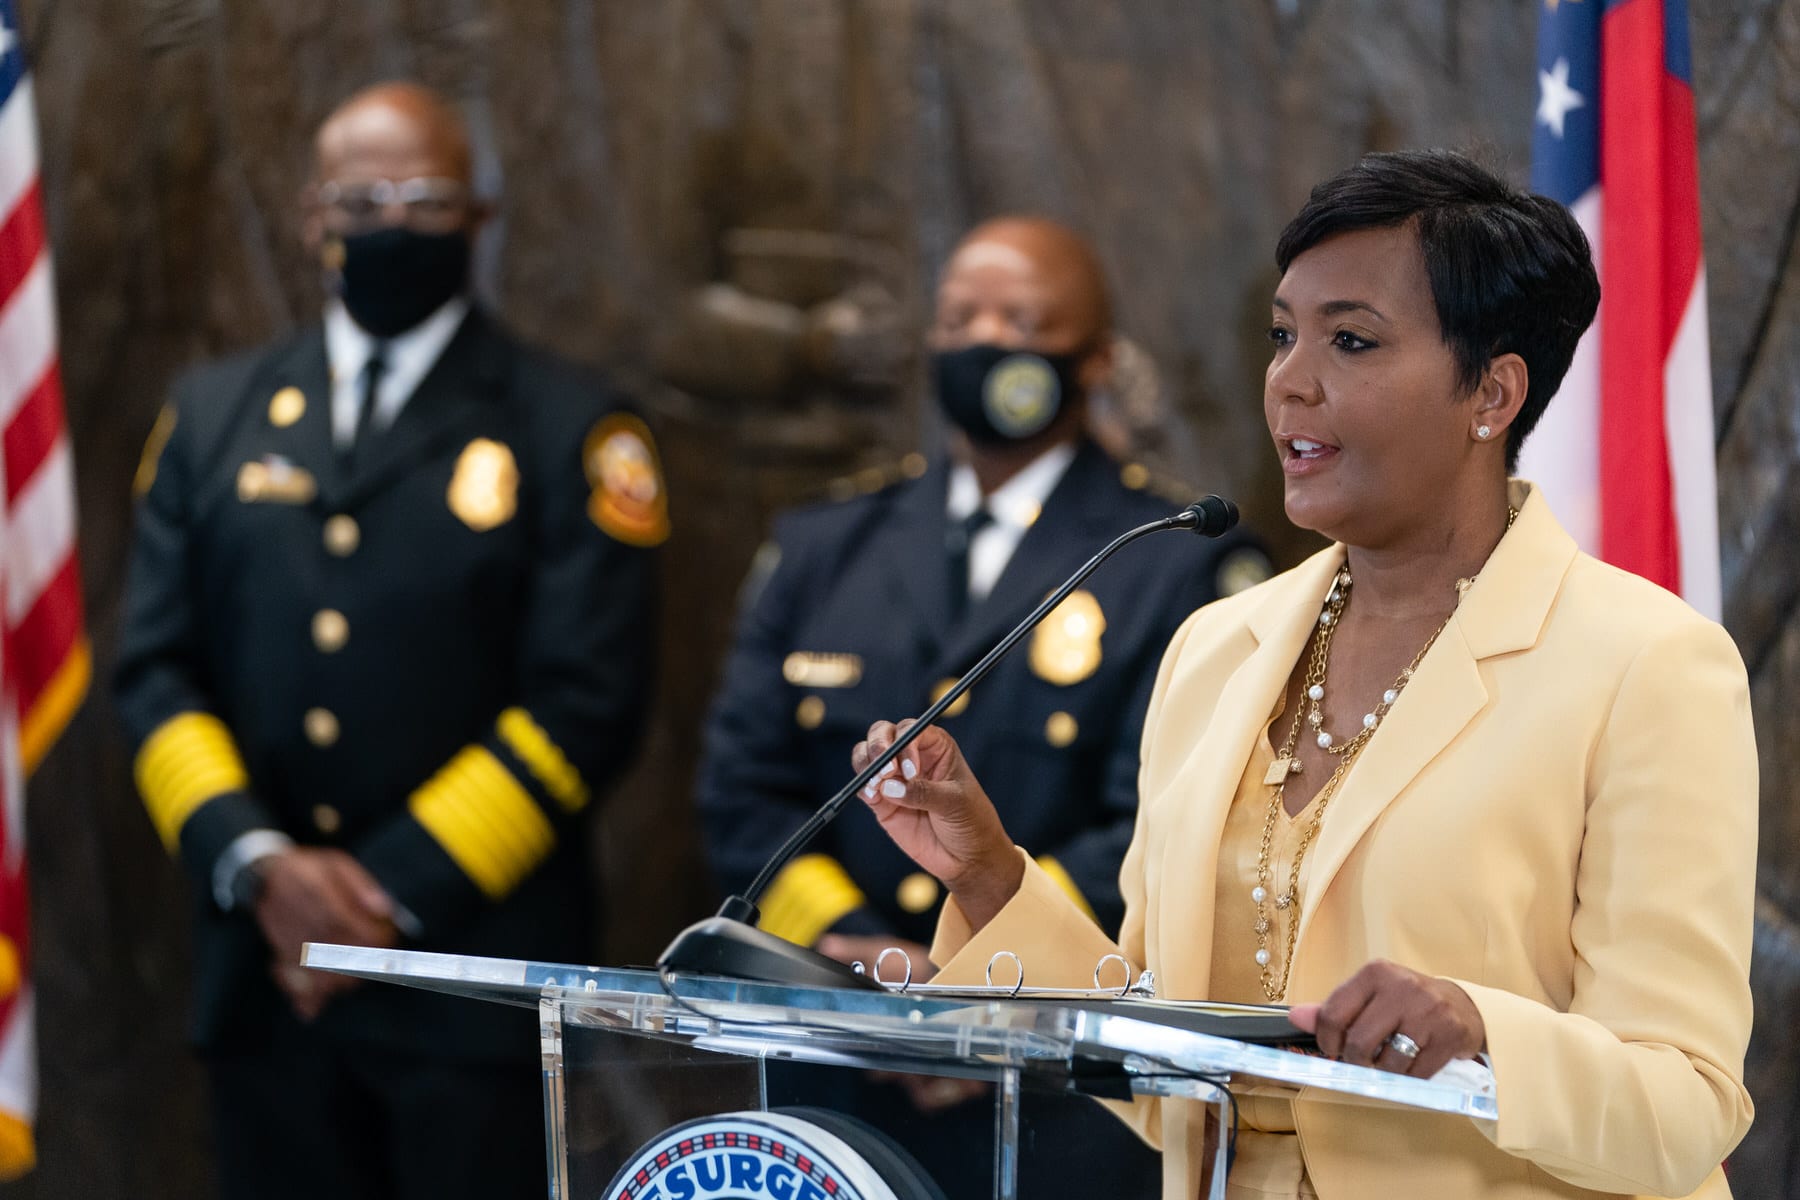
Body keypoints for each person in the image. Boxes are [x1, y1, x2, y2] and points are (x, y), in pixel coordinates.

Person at [848, 151, 1757, 1200]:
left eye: (1352, 341)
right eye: (1284, 335)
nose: (1291, 379)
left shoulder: (1648, 665)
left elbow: (1684, 1105)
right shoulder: (1218, 649)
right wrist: (989, 876)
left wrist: (1483, 1035)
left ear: (1493, 393)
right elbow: (1163, 1067)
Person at [114, 82, 667, 1200]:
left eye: (425, 198)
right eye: (363, 198)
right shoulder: (212, 416)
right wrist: (265, 870)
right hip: (262, 984)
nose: (391, 223)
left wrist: (370, 906)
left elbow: (587, 701)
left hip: (472, 988)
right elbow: (156, 673)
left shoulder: (574, 426)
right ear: (313, 213)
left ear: (481, 216)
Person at [697, 215, 1269, 1198]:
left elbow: (1164, 828)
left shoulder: (1174, 560)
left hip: (1054, 1084)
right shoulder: (825, 545)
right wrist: (863, 960)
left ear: (1093, 359)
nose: (988, 339)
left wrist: (963, 961)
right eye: (962, 316)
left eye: (1025, 318)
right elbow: (743, 792)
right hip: (836, 1062)